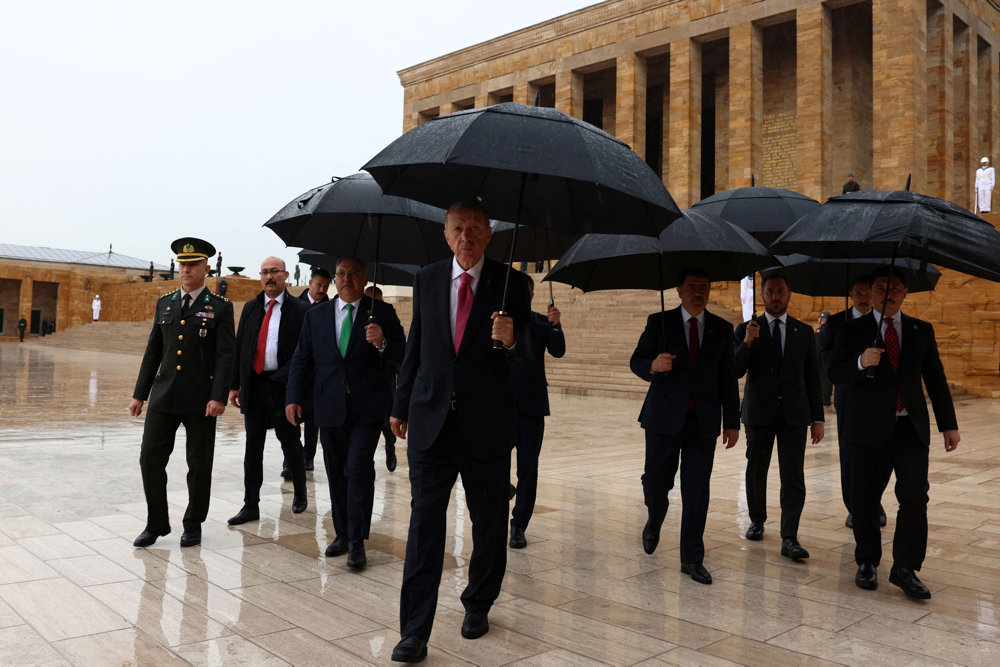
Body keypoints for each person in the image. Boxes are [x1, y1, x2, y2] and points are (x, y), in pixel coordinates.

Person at [388, 201, 532, 663]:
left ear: (490, 234)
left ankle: (479, 601)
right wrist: (400, 405)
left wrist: (512, 338)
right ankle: (414, 631)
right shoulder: (427, 279)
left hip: (486, 427)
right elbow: (416, 346)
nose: (466, 237)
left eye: (474, 229)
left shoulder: (513, 284)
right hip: (432, 424)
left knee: (488, 524)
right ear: (446, 236)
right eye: (457, 229)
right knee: (424, 527)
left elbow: (529, 350)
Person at [829, 266, 959, 598]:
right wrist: (861, 362)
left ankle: (905, 568)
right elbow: (835, 372)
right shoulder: (851, 330)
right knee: (866, 498)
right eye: (882, 287)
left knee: (915, 496)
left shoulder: (920, 330)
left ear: (904, 293)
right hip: (868, 428)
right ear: (870, 293)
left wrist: (948, 424)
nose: (890, 293)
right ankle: (867, 561)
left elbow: (935, 378)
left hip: (909, 428)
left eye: (896, 287)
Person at [286, 257, 405, 570]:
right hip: (329, 406)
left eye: (353, 274)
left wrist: (382, 343)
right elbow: (302, 358)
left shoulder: (383, 313)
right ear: (334, 279)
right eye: (341, 274)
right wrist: (294, 397)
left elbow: (404, 356)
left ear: (365, 278)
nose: (346, 279)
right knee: (337, 471)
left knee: (357, 468)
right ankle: (342, 532)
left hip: (367, 408)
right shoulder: (317, 316)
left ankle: (356, 542)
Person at [630, 267, 740, 586]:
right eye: (692, 286)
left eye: (704, 287)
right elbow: (636, 360)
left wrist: (732, 422)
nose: (698, 292)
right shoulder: (659, 323)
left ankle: (692, 558)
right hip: (663, 420)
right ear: (679, 290)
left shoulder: (721, 328)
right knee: (655, 483)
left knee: (696, 491)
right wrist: (652, 365)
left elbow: (727, 380)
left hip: (702, 423)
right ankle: (654, 518)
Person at [129, 237, 235, 549]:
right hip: (164, 396)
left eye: (192, 264)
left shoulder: (219, 308)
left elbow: (225, 355)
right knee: (150, 457)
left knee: (199, 464)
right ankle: (157, 523)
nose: (186, 269)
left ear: (207, 268)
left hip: (201, 398)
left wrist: (218, 396)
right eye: (182, 264)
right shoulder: (166, 303)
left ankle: (193, 523)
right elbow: (153, 352)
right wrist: (140, 394)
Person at [733, 274, 824, 560]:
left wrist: (818, 418)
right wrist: (747, 341)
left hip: (794, 415)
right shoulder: (746, 329)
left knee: (793, 476)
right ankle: (757, 520)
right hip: (759, 413)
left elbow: (813, 377)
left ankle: (790, 537)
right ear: (762, 295)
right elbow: (735, 369)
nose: (775, 296)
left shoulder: (803, 332)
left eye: (780, 291)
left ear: (789, 294)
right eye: (770, 292)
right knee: (756, 469)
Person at [227, 257, 310, 527]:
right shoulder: (251, 308)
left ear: (285, 275)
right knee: (253, 449)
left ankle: (300, 493)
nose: (269, 277)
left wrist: (291, 386)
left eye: (274, 272)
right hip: (255, 386)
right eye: (264, 272)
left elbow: (304, 351)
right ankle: (250, 504)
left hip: (283, 388)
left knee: (291, 444)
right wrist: (235, 384)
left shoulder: (300, 309)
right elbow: (240, 347)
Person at [819, 275, 887, 529]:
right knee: (849, 454)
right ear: (851, 295)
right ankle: (854, 506)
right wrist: (849, 360)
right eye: (859, 294)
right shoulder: (837, 323)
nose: (864, 299)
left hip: (878, 396)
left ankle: (873, 501)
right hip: (848, 396)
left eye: (868, 294)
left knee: (880, 453)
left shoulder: (882, 321)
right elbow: (825, 357)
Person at [509, 274, 564, 549]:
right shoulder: (496, 321)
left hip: (531, 406)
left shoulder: (542, 322)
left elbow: (558, 351)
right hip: (500, 407)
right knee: (488, 460)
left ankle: (519, 524)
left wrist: (556, 325)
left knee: (528, 469)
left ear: (531, 295)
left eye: (524, 291)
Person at [280, 267, 331, 479]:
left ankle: (308, 457)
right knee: (289, 420)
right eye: (318, 285)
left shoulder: (331, 308)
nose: (321, 289)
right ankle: (290, 461)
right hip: (296, 371)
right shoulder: (292, 306)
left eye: (326, 287)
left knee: (313, 421)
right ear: (309, 283)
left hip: (318, 375)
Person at [365, 284, 399, 472]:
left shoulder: (389, 317)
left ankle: (390, 446)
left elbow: (398, 347)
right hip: (366, 379)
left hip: (386, 376)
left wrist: (382, 340)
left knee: (387, 419)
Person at [816, 310, 832, 405]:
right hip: (829, 359)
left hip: (821, 359)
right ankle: (827, 399)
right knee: (828, 379)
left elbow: (816, 346)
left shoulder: (819, 331)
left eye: (821, 318)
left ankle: (824, 400)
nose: (820, 319)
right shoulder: (832, 330)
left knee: (823, 379)